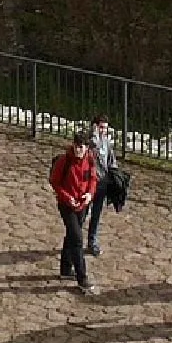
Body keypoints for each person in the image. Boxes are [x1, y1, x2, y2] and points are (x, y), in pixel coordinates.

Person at [49, 128, 98, 295]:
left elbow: (92, 179)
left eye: (82, 146)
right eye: (77, 146)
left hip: (82, 204)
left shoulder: (90, 160)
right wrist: (66, 196)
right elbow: (55, 182)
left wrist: (89, 195)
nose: (79, 150)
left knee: (72, 234)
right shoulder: (64, 161)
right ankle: (82, 277)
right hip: (67, 205)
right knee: (77, 239)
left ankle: (65, 268)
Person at [85, 112, 118, 257]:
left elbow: (111, 160)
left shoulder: (106, 142)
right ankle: (76, 240)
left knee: (96, 214)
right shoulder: (90, 141)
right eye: (100, 127)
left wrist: (115, 175)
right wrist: (93, 134)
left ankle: (92, 242)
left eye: (105, 128)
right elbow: (92, 145)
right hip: (88, 183)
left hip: (102, 183)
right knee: (83, 212)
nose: (103, 130)